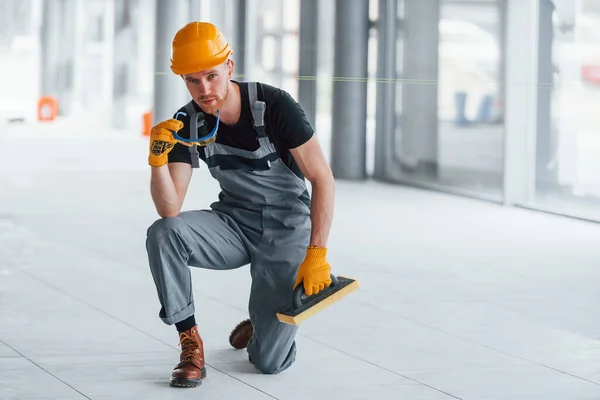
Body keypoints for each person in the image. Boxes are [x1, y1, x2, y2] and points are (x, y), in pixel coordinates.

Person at [145, 21, 336, 388]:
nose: (204, 89)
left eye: (211, 76)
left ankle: (266, 322)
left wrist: (317, 253)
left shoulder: (275, 106)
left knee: (269, 363)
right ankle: (190, 343)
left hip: (286, 228)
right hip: (233, 223)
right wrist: (156, 161)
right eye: (192, 80)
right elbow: (170, 209)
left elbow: (322, 178)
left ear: (229, 67)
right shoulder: (188, 121)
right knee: (164, 233)